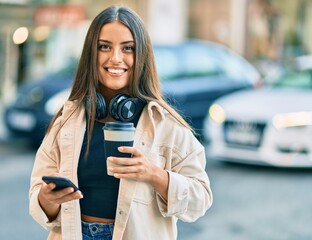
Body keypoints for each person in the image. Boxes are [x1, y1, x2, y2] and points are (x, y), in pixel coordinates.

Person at [29, 5, 212, 240]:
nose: (115, 58)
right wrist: (47, 199)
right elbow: (37, 197)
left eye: (128, 48)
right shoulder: (68, 119)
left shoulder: (165, 125)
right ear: (91, 54)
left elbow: (201, 199)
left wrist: (155, 175)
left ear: (141, 56)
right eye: (104, 46)